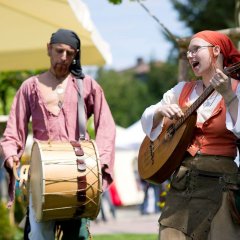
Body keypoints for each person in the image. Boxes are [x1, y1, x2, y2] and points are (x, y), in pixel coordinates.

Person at [0, 28, 116, 240]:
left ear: (76, 55)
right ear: (48, 49)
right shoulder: (30, 87)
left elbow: (106, 126)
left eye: (70, 53)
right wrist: (10, 155)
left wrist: (100, 162)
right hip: (41, 177)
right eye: (59, 51)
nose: (63, 58)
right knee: (37, 236)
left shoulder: (87, 85)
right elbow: (13, 131)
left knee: (76, 235)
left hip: (79, 175)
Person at [140, 30, 240, 239]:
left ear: (216, 51)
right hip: (183, 181)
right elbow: (147, 116)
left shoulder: (237, 89)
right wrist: (160, 112)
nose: (189, 55)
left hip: (221, 183)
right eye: (188, 51)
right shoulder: (181, 90)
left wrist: (229, 95)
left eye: (196, 50)